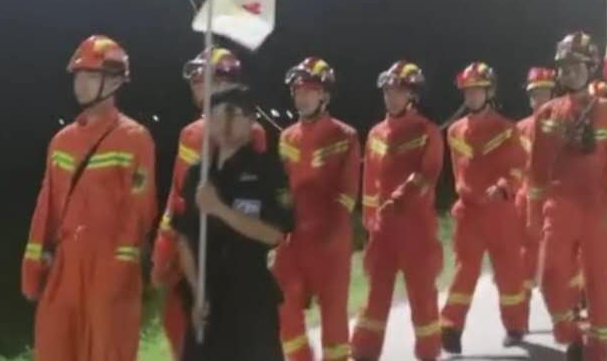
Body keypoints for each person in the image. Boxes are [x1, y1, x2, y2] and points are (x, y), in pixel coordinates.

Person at [21, 35, 157, 361]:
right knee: (54, 348)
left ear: (115, 82)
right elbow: (46, 207)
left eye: (90, 76)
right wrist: (33, 264)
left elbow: (142, 208)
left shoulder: (135, 138)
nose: (80, 84)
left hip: (110, 266)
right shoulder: (61, 141)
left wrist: (122, 265)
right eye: (78, 76)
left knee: (108, 351)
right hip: (65, 265)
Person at [152, 48, 268, 360]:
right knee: (177, 323)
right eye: (193, 77)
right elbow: (177, 196)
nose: (194, 81)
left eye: (202, 76)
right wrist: (165, 245)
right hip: (189, 249)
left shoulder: (250, 133)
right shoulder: (190, 134)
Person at [528, 32, 607, 361]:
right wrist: (533, 215)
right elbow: (536, 171)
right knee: (549, 278)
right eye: (564, 66)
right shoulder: (547, 114)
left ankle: (598, 351)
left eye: (577, 65)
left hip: (597, 209)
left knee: (597, 284)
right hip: (559, 208)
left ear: (591, 68)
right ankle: (569, 333)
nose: (570, 72)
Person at [172, 85, 294, 361]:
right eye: (216, 114)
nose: (224, 122)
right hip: (207, 302)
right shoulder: (198, 174)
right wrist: (197, 290)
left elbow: (274, 233)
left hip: (250, 299)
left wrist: (219, 209)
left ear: (251, 121)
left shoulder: (268, 169)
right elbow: (184, 237)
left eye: (233, 113)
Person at [351, 61, 444, 361]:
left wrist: (400, 198)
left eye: (398, 91)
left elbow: (428, 174)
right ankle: (363, 352)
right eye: (387, 91)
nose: (391, 97)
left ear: (412, 95)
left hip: (417, 230)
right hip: (383, 233)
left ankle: (428, 352)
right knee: (375, 295)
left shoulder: (427, 131)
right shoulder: (376, 133)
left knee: (422, 297)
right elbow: (369, 182)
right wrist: (369, 221)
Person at [273, 58, 361, 361]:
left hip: (330, 240)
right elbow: (281, 187)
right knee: (283, 304)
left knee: (333, 314)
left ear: (324, 95)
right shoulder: (287, 137)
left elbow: (348, 193)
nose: (302, 97)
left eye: (309, 91)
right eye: (298, 91)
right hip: (293, 240)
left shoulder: (345, 136)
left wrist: (330, 232)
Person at [440, 62, 528, 353]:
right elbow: (458, 171)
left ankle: (515, 325)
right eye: (468, 91)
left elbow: (518, 168)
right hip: (469, 214)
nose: (472, 95)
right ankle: (450, 327)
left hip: (500, 212)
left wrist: (503, 187)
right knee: (464, 272)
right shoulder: (454, 131)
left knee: (508, 271)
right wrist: (464, 194)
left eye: (477, 90)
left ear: (489, 92)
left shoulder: (506, 129)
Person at [515, 66, 557, 324]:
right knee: (524, 260)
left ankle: (572, 309)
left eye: (543, 93)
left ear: (552, 95)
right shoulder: (519, 129)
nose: (538, 98)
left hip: (556, 199)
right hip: (526, 200)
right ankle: (519, 319)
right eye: (534, 94)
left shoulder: (563, 126)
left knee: (563, 256)